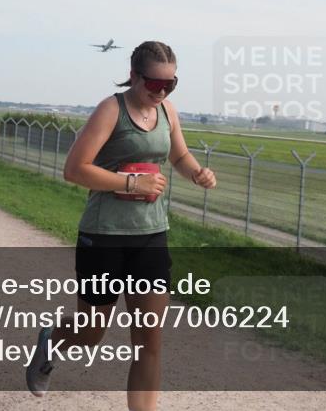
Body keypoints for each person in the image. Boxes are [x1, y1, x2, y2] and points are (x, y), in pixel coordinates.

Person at [25, 40, 216, 410]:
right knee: (91, 332)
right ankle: (51, 341)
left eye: (170, 85)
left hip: (151, 236)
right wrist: (132, 183)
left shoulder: (169, 112)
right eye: (154, 84)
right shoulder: (110, 110)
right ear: (133, 76)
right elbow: (74, 169)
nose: (161, 92)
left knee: (149, 343)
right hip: (104, 236)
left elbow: (179, 154)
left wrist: (197, 173)